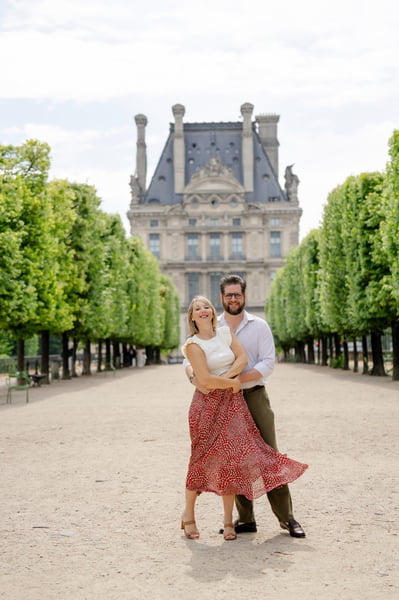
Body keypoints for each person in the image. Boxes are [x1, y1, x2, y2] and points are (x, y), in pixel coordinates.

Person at [186, 275, 307, 538]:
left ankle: (287, 518)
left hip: (252, 395)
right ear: (221, 298)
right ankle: (246, 518)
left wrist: (234, 381)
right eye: (228, 295)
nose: (233, 299)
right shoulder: (213, 326)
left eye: (237, 295)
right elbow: (192, 359)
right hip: (224, 400)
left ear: (244, 296)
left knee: (269, 455)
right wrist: (194, 377)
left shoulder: (259, 326)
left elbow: (267, 364)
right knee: (234, 458)